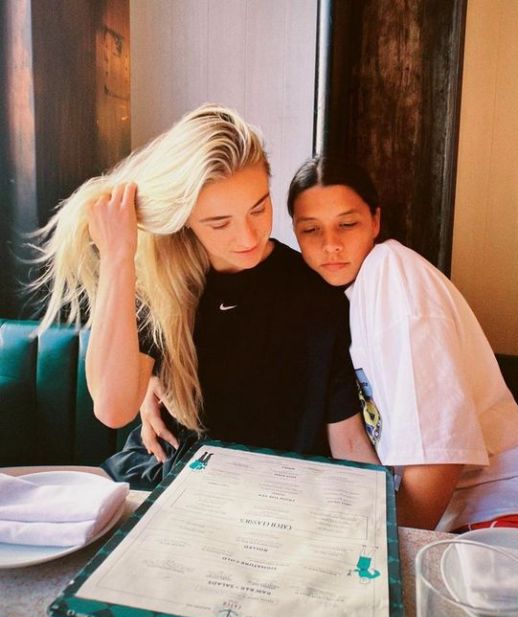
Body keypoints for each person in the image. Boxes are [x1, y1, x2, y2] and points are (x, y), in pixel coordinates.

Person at [35, 106, 378, 489]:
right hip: (161, 481)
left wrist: (387, 511)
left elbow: (347, 437)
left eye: (259, 208)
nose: (248, 237)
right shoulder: (162, 285)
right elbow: (113, 410)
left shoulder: (317, 296)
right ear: (185, 218)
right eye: (219, 223)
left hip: (269, 496)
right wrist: (118, 257)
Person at [285, 155, 518, 531]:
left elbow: (438, 455)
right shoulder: (345, 298)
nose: (331, 245)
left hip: (499, 501)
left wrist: (384, 550)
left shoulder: (392, 274)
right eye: (311, 230)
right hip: (452, 508)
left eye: (347, 224)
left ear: (375, 221)